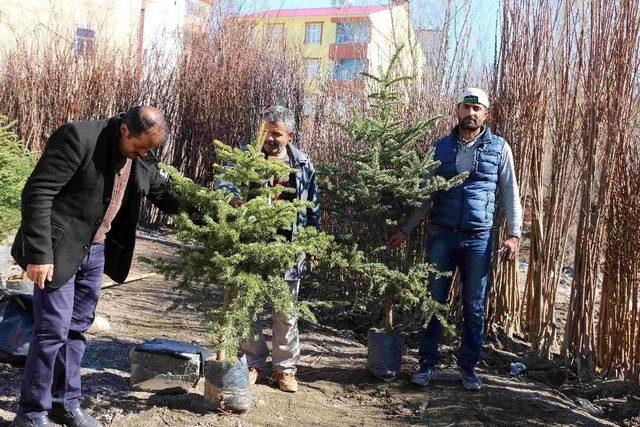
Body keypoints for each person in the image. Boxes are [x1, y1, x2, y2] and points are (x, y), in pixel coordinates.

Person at [11, 107, 180, 427]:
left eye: (150, 149)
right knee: (52, 330)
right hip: (58, 250)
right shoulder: (78, 137)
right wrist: (39, 253)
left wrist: (217, 210)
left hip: (96, 250)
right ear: (125, 131)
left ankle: (65, 404)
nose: (145, 153)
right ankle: (31, 413)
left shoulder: (141, 153)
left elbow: (163, 193)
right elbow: (37, 192)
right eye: (141, 145)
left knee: (77, 329)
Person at [388, 88, 523, 391]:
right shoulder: (440, 148)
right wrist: (406, 229)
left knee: (474, 305)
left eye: (477, 109)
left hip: (479, 238)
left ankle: (468, 367)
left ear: (486, 114)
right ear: (457, 111)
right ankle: (427, 364)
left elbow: (510, 193)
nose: (471, 113)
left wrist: (514, 234)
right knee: (433, 301)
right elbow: (426, 194)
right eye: (466, 107)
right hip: (442, 235)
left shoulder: (499, 148)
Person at [218, 106, 320, 393]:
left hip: (287, 249)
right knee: (247, 305)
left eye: (276, 133)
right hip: (250, 246)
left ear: (290, 135)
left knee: (285, 311)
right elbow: (223, 183)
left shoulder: (302, 165)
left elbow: (313, 206)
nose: (269, 138)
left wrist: (312, 242)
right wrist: (234, 198)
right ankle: (253, 362)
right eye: (265, 130)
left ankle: (285, 369)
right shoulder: (246, 157)